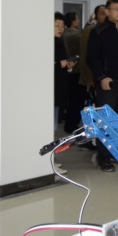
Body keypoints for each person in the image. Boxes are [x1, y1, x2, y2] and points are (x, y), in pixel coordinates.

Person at [86, 0, 118, 172]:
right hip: (107, 83)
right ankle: (104, 158)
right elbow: (91, 58)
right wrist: (102, 77)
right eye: (116, 9)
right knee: (106, 122)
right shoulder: (98, 31)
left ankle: (115, 153)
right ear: (107, 12)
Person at [54, 12, 75, 175]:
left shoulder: (60, 42)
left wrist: (67, 66)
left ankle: (52, 160)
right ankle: (49, 162)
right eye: (56, 25)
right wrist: (58, 65)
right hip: (49, 91)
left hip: (58, 90)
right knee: (48, 127)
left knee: (53, 128)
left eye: (62, 26)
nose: (60, 28)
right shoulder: (47, 43)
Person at [63, 12, 85, 134]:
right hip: (76, 72)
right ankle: (72, 125)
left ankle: (69, 123)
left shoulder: (65, 33)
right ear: (73, 21)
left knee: (71, 101)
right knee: (76, 101)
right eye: (77, 19)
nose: (79, 21)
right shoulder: (75, 35)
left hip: (69, 72)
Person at [80, 4, 107, 97]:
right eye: (102, 14)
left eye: (107, 13)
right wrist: (87, 78)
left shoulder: (111, 30)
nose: (106, 16)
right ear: (96, 16)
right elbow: (85, 54)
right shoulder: (91, 30)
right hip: (94, 76)